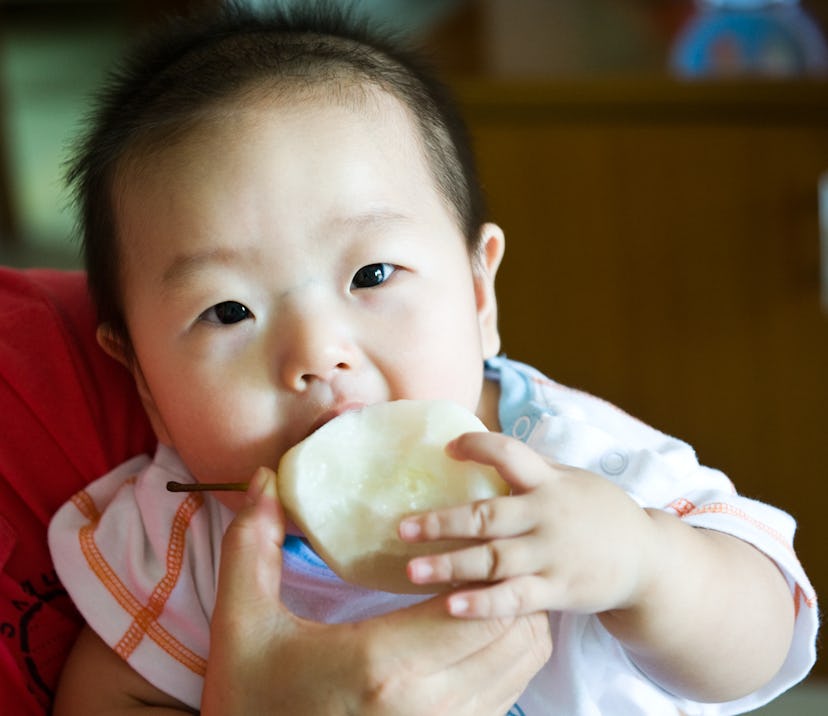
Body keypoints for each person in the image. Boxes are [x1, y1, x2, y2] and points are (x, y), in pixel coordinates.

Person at [47, 2, 817, 714]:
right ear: (143, 380)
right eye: (228, 311)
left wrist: (644, 565)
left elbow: (768, 636)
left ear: (480, 296)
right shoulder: (184, 542)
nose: (318, 355)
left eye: (372, 276)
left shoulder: (570, 465)